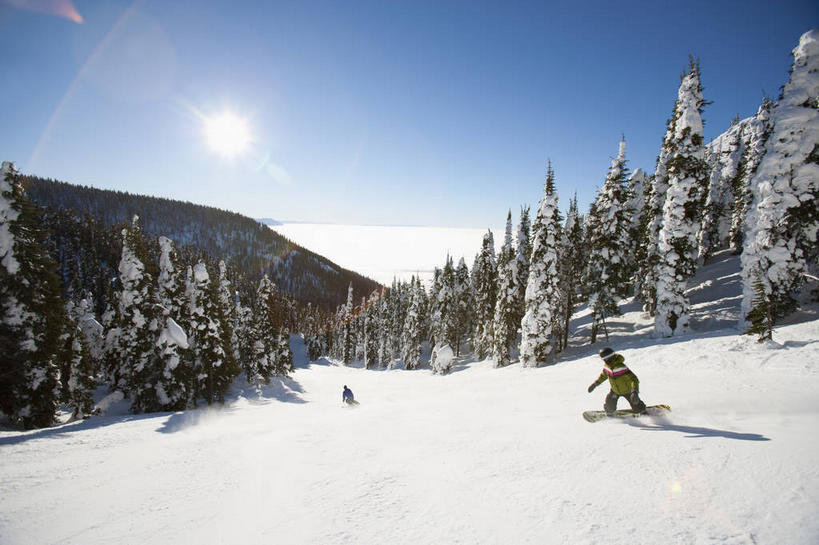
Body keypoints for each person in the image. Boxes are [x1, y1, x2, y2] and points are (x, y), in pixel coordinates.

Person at [587, 347, 647, 415]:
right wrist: (595, 384)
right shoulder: (607, 367)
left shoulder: (621, 367)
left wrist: (634, 391)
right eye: (603, 359)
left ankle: (642, 411)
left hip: (628, 391)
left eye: (605, 359)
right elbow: (603, 376)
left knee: (635, 402)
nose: (605, 361)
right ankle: (609, 412)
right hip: (615, 391)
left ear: (610, 358)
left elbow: (634, 379)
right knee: (609, 403)